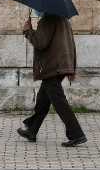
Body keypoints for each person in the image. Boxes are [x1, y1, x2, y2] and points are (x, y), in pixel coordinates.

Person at [18, 11, 86, 147]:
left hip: (52, 66)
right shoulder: (63, 18)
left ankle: (76, 134)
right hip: (61, 64)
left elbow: (41, 43)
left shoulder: (47, 20)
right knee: (43, 100)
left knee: (59, 101)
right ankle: (31, 130)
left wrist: (28, 31)